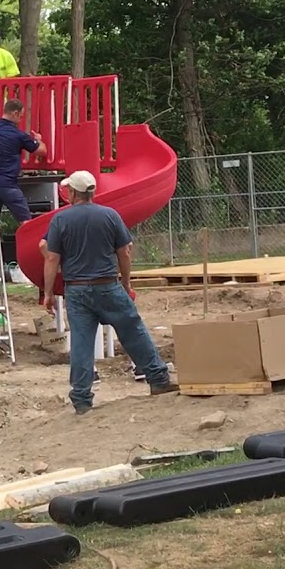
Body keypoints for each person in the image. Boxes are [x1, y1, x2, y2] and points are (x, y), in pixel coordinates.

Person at [41, 171, 178, 415]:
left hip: (77, 290)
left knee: (81, 343)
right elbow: (124, 252)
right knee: (133, 330)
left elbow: (51, 258)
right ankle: (158, 379)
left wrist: (49, 292)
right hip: (107, 285)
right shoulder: (109, 215)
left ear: (72, 192)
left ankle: (82, 399)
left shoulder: (60, 219)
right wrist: (126, 283)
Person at [0, 99, 47, 280]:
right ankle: (35, 258)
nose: (20, 119)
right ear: (15, 113)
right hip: (8, 185)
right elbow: (41, 151)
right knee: (26, 223)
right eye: (20, 116)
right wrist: (39, 140)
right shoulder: (19, 135)